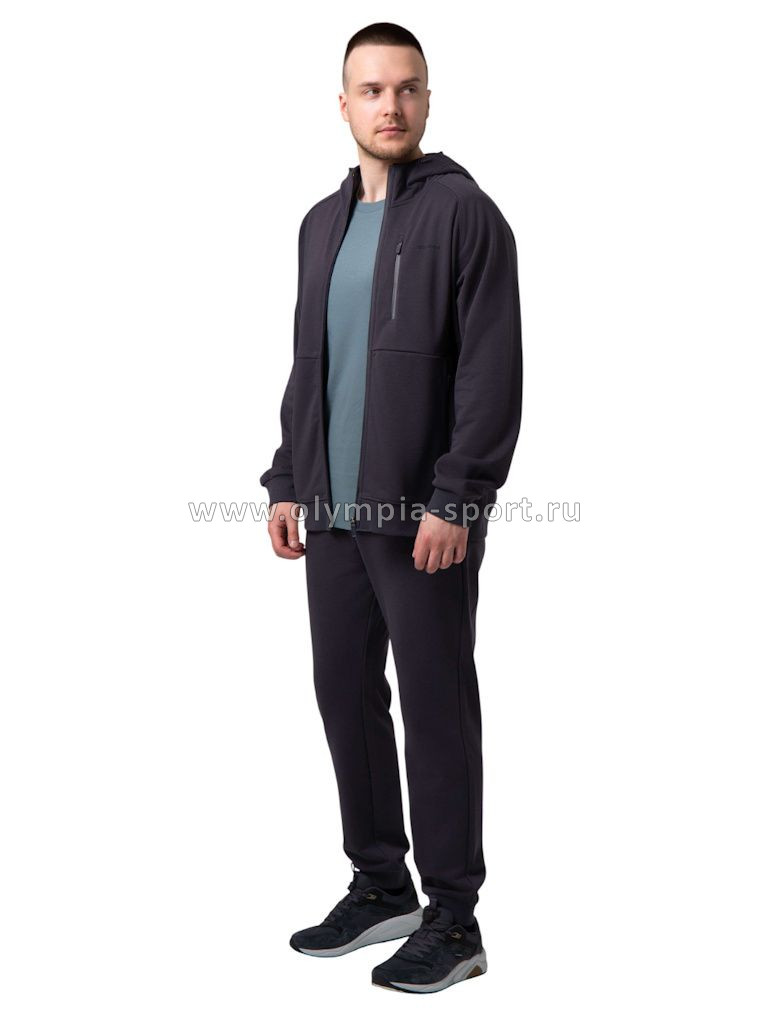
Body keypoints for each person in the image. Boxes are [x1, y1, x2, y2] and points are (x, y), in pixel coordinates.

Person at [259, 22, 522, 994]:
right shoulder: (319, 225)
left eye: (407, 88)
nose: (391, 105)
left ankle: (454, 917)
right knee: (344, 693)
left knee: (436, 706)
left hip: (422, 518)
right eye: (371, 90)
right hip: (331, 511)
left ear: (428, 99)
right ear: (343, 105)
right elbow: (310, 364)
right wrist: (287, 477)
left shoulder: (465, 214)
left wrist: (460, 495)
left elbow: (492, 369)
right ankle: (381, 883)